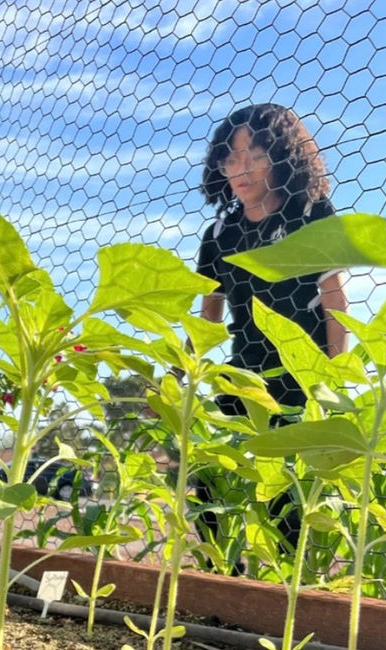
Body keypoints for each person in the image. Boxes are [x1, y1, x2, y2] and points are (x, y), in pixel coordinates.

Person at [193, 103, 349, 565]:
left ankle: (284, 592)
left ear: (284, 157)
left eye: (253, 155)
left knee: (289, 499)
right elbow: (207, 317)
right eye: (230, 158)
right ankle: (220, 584)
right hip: (242, 375)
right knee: (212, 485)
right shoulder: (220, 233)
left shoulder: (313, 214)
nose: (239, 169)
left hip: (300, 381)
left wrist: (332, 380)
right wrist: (182, 371)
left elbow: (336, 301)